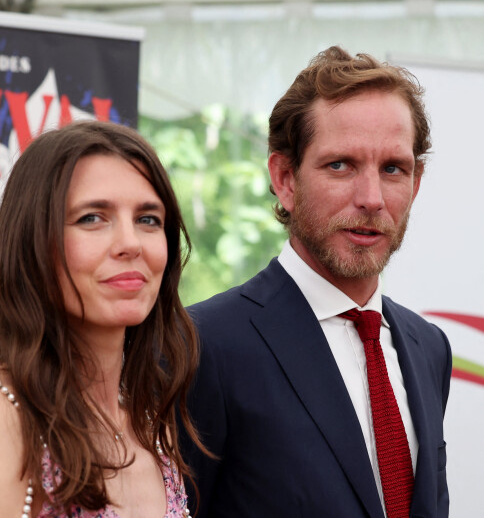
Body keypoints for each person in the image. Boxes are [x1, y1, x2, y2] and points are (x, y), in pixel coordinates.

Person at [182, 46, 451, 518]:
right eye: (340, 165)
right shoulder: (203, 345)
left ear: (417, 183)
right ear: (285, 178)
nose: (371, 198)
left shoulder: (429, 348)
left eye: (393, 169)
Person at [0, 120, 203, 517]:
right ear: (34, 242)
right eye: (92, 218)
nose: (130, 243)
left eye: (148, 219)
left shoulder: (151, 425)